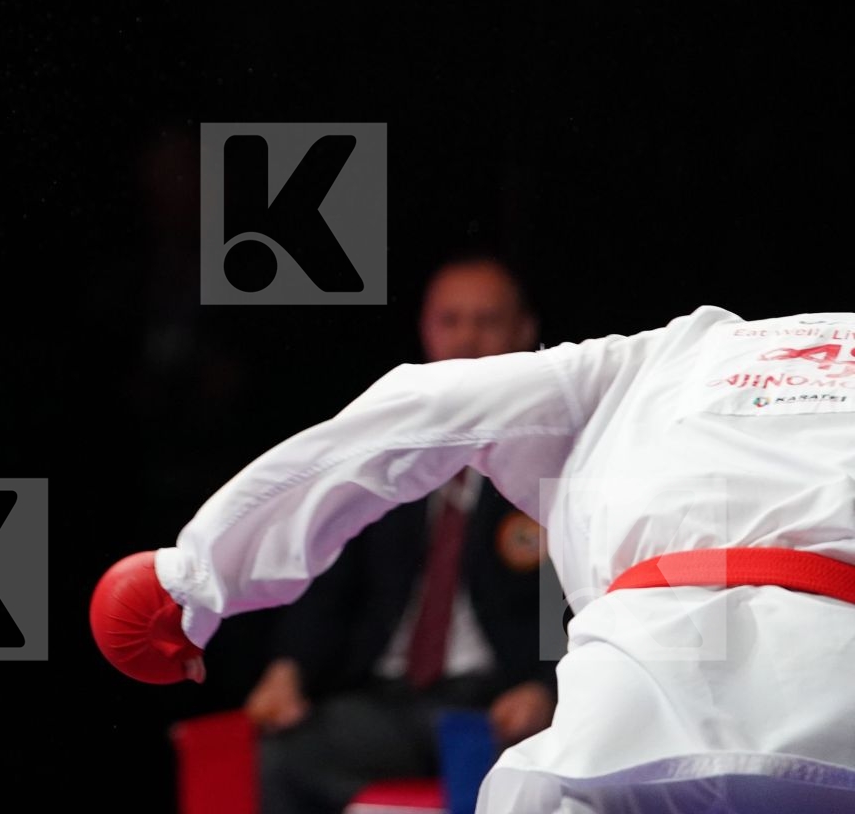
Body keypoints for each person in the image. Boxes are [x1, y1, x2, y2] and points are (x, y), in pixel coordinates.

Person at [92, 300, 855, 812]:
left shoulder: (655, 359)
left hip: (634, 706)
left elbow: (419, 413)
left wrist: (197, 579)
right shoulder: (644, 363)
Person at [240, 255, 559, 814]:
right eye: (450, 321)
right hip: (389, 701)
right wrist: (288, 669)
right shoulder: (383, 446)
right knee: (283, 757)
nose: (467, 340)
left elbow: (578, 597)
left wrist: (548, 689)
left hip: (498, 704)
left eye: (487, 321)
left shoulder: (555, 454)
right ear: (425, 330)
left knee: (541, 774)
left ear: (525, 332)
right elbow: (329, 577)